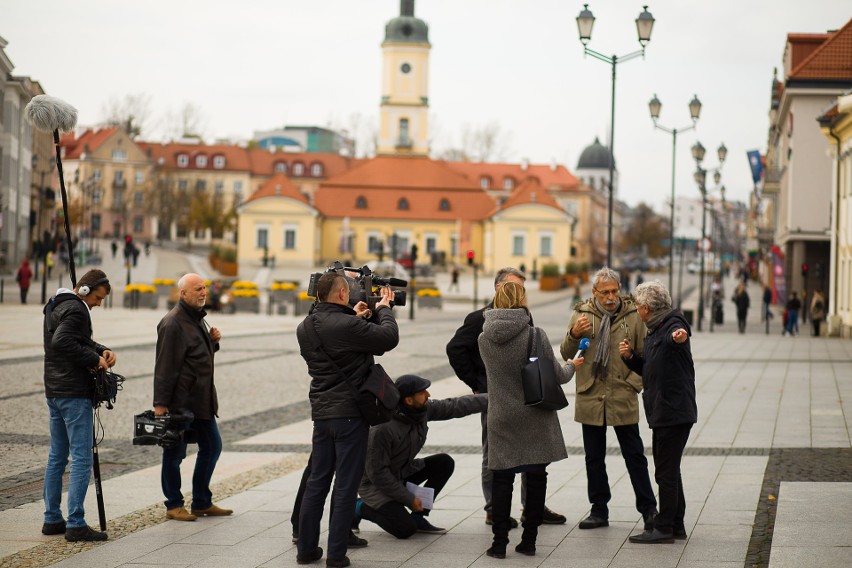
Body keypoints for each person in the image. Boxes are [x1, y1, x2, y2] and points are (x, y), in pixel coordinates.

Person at [446, 267, 567, 527]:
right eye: (516, 288)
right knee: (494, 454)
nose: (520, 295)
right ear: (499, 288)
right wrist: (477, 383)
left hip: (527, 398)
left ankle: (531, 507)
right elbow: (454, 349)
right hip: (495, 397)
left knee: (530, 454)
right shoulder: (479, 319)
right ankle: (493, 509)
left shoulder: (525, 317)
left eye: (522, 289)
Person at [295, 272, 399, 567]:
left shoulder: (305, 327)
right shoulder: (347, 325)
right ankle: (336, 555)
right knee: (345, 485)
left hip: (322, 415)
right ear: (342, 294)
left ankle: (306, 550)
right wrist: (384, 309)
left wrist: (354, 318)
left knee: (317, 482)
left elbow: (337, 340)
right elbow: (388, 338)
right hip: (351, 416)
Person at [478, 281, 583, 558]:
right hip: (534, 414)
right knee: (536, 478)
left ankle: (499, 543)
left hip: (501, 416)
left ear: (496, 301)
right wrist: (573, 365)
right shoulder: (535, 335)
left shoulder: (483, 338)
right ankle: (529, 541)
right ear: (523, 300)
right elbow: (557, 376)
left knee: (501, 480)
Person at [560, 267, 658, 532]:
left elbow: (644, 354)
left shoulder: (632, 315)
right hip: (591, 394)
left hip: (621, 392)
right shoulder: (582, 314)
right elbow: (566, 353)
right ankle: (599, 510)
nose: (611, 296)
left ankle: (649, 510)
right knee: (594, 458)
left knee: (635, 455)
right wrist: (574, 335)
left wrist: (633, 383)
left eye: (614, 291)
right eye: (605, 292)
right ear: (595, 293)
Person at [358, 375, 487, 538]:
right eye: (422, 392)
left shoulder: (422, 410)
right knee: (405, 529)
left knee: (444, 462)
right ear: (409, 400)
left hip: (401, 472)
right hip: (374, 485)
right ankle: (360, 508)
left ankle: (418, 518)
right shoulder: (382, 428)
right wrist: (409, 499)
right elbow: (377, 474)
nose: (428, 395)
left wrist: (493, 399)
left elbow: (455, 406)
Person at [619, 280, 697, 544]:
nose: (638, 311)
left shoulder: (672, 326)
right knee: (670, 470)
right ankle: (676, 524)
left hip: (672, 412)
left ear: (647, 308)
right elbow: (650, 369)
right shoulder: (656, 329)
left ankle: (664, 528)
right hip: (665, 411)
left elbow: (680, 333)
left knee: (665, 472)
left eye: (639, 306)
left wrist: (679, 337)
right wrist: (630, 358)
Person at [42, 269, 116, 542]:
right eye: (98, 297)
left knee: (57, 456)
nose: (99, 303)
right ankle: (75, 523)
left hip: (54, 389)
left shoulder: (55, 305)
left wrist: (99, 349)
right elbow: (63, 341)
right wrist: (95, 360)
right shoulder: (78, 310)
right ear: (85, 290)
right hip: (73, 392)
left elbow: (73, 338)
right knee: (82, 457)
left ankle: (52, 519)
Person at [153, 273, 232, 523]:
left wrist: (213, 342)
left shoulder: (197, 318)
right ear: (183, 294)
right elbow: (164, 367)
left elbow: (196, 354)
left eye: (204, 287)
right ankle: (174, 504)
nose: (203, 291)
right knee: (174, 454)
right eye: (197, 288)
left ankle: (201, 501)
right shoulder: (172, 323)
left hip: (201, 401)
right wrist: (160, 404)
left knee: (212, 446)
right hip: (180, 403)